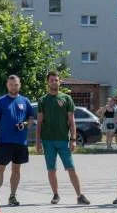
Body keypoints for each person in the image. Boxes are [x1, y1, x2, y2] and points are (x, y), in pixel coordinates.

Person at [35, 71, 90, 205]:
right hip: (47, 140)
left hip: (63, 140)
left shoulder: (66, 98)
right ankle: (55, 195)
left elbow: (72, 121)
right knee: (51, 169)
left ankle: (79, 195)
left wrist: (73, 139)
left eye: (56, 80)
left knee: (71, 168)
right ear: (48, 82)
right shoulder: (43, 100)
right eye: (52, 80)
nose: (54, 82)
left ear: (60, 82)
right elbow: (39, 122)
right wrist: (38, 142)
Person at [0, 75, 36, 206]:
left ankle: (12, 196)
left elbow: (31, 120)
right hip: (5, 142)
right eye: (11, 84)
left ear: (19, 85)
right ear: (7, 85)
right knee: (0, 169)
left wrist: (25, 124)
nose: (13, 87)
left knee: (16, 170)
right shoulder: (0, 101)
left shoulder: (25, 101)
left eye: (16, 84)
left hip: (20, 143)